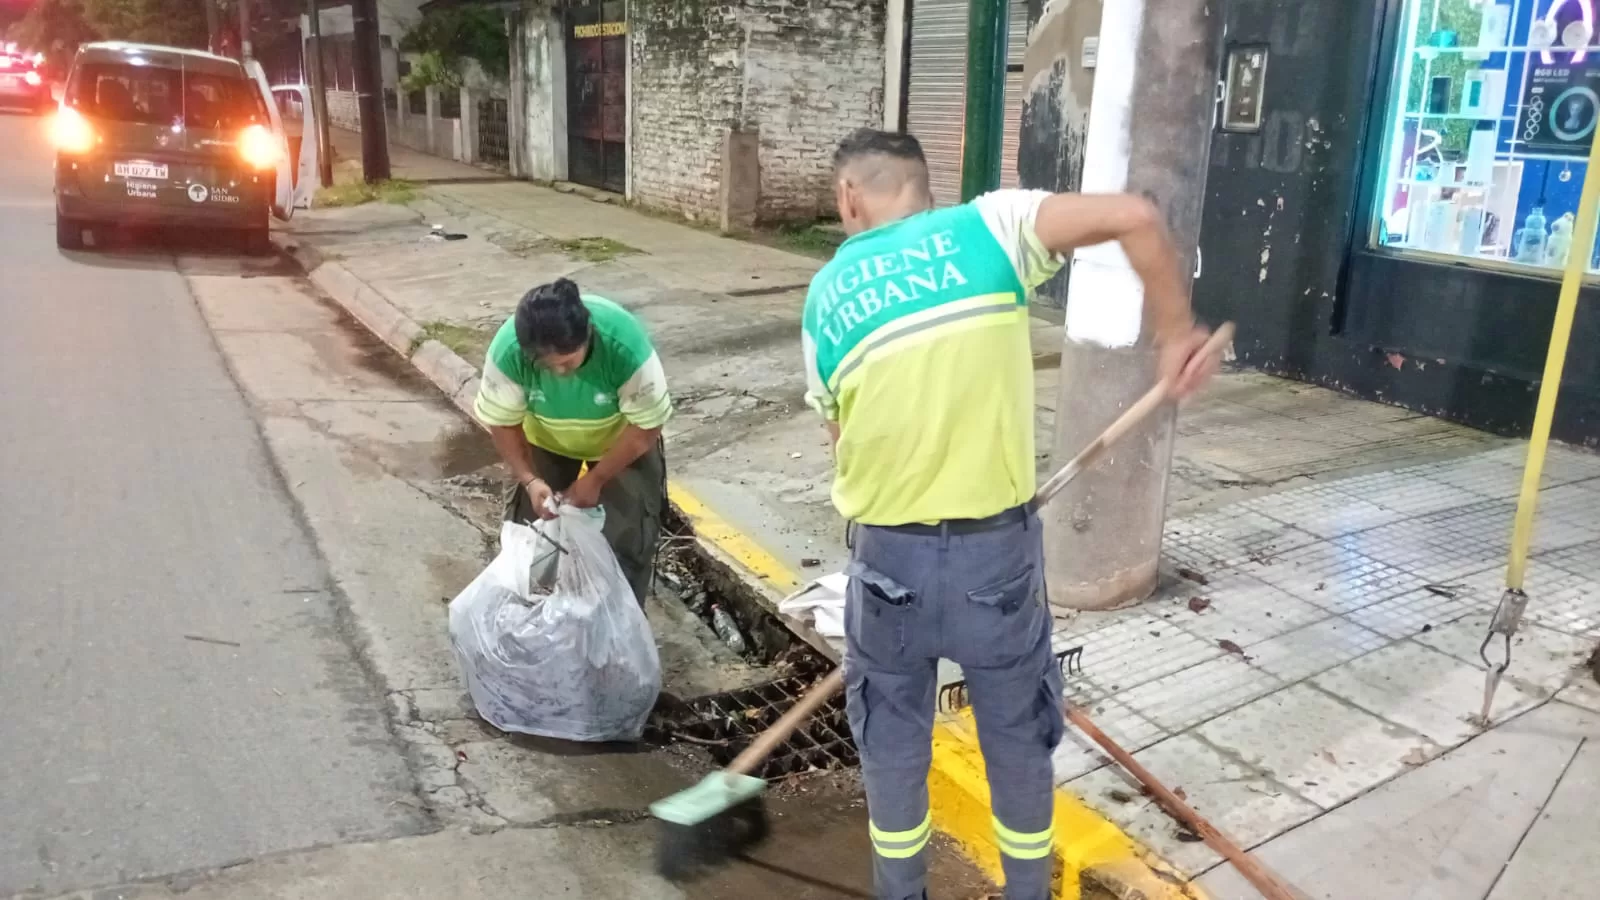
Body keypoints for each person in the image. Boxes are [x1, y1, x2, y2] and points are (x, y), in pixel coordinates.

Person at [802, 129, 1220, 900]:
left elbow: (843, 442)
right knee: (1017, 744)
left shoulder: (828, 292)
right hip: (994, 563)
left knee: (893, 751)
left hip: (888, 563)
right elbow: (1134, 215)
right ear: (924, 186)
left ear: (848, 198)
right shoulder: (992, 228)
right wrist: (1173, 336)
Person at [474, 278, 672, 604]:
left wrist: (596, 478)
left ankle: (616, 630)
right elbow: (502, 421)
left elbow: (645, 429)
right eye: (547, 366)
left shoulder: (624, 346)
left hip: (619, 443)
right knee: (530, 538)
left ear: (588, 334)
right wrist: (530, 478)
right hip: (543, 438)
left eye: (568, 361)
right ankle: (535, 622)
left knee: (628, 538)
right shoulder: (508, 351)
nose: (560, 373)